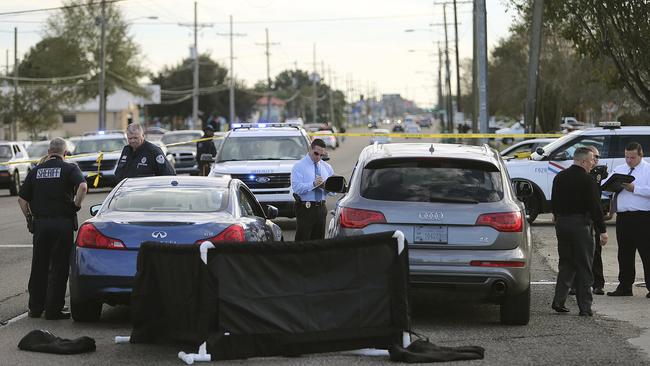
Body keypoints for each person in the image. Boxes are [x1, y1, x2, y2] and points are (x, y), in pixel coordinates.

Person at [17, 137, 88, 320]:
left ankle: (35, 308)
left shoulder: (36, 171)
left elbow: (22, 200)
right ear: (65, 153)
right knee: (59, 266)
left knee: (39, 265)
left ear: (48, 152)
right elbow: (82, 186)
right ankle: (53, 309)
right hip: (62, 224)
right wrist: (76, 206)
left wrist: (29, 218)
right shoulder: (70, 168)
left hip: (41, 225)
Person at [551, 147, 608, 316]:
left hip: (562, 224)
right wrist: (602, 230)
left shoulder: (559, 177)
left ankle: (559, 301)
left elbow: (554, 201)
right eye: (591, 160)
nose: (593, 163)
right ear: (583, 161)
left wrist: (558, 216)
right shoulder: (588, 180)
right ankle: (585, 307)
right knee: (584, 266)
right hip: (580, 225)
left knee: (566, 263)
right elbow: (596, 207)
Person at [606, 142, 650, 297]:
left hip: (643, 218)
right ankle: (625, 286)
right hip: (623, 217)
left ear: (640, 155)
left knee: (647, 253)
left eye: (632, 157)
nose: (629, 160)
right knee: (624, 253)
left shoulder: (648, 169)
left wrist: (635, 189)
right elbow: (608, 188)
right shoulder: (619, 169)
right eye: (626, 157)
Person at [570, 146, 608, 295]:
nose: (596, 160)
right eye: (594, 157)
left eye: (597, 157)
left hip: (594, 215)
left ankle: (598, 283)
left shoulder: (600, 172)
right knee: (577, 253)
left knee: (596, 252)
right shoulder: (579, 173)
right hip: (581, 216)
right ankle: (575, 284)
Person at [291, 139, 334, 241]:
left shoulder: (327, 167)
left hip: (321, 208)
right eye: (316, 153)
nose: (318, 157)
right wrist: (313, 184)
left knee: (319, 241)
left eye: (321, 155)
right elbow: (297, 188)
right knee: (303, 241)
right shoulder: (299, 166)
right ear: (310, 149)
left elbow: (333, 191)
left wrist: (325, 186)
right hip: (305, 208)